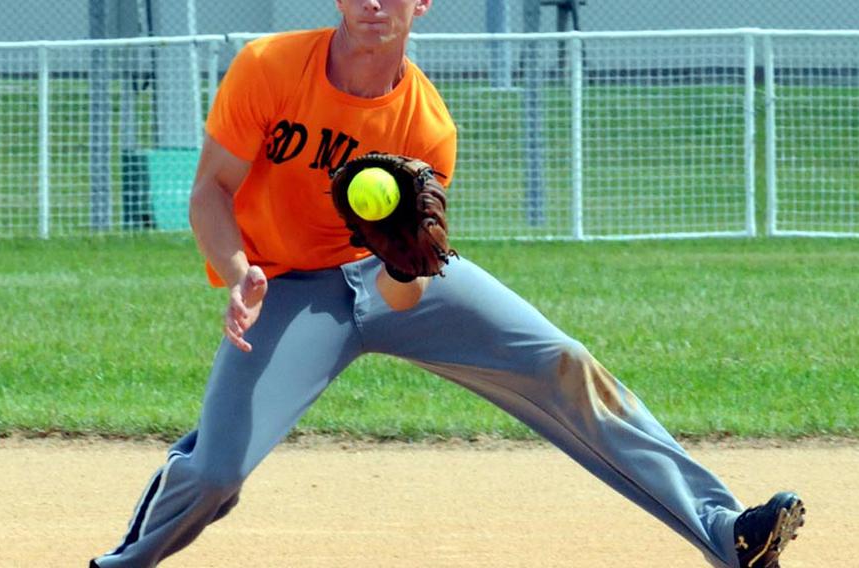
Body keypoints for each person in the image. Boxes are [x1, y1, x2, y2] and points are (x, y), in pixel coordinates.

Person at [90, 1, 805, 567]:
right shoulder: (269, 67)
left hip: (393, 276)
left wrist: (402, 263)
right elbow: (212, 190)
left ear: (423, 4)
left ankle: (726, 530)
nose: (374, 1)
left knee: (565, 363)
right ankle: (125, 561)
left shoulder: (426, 128)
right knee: (214, 472)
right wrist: (240, 269)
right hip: (287, 286)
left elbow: (401, 297)